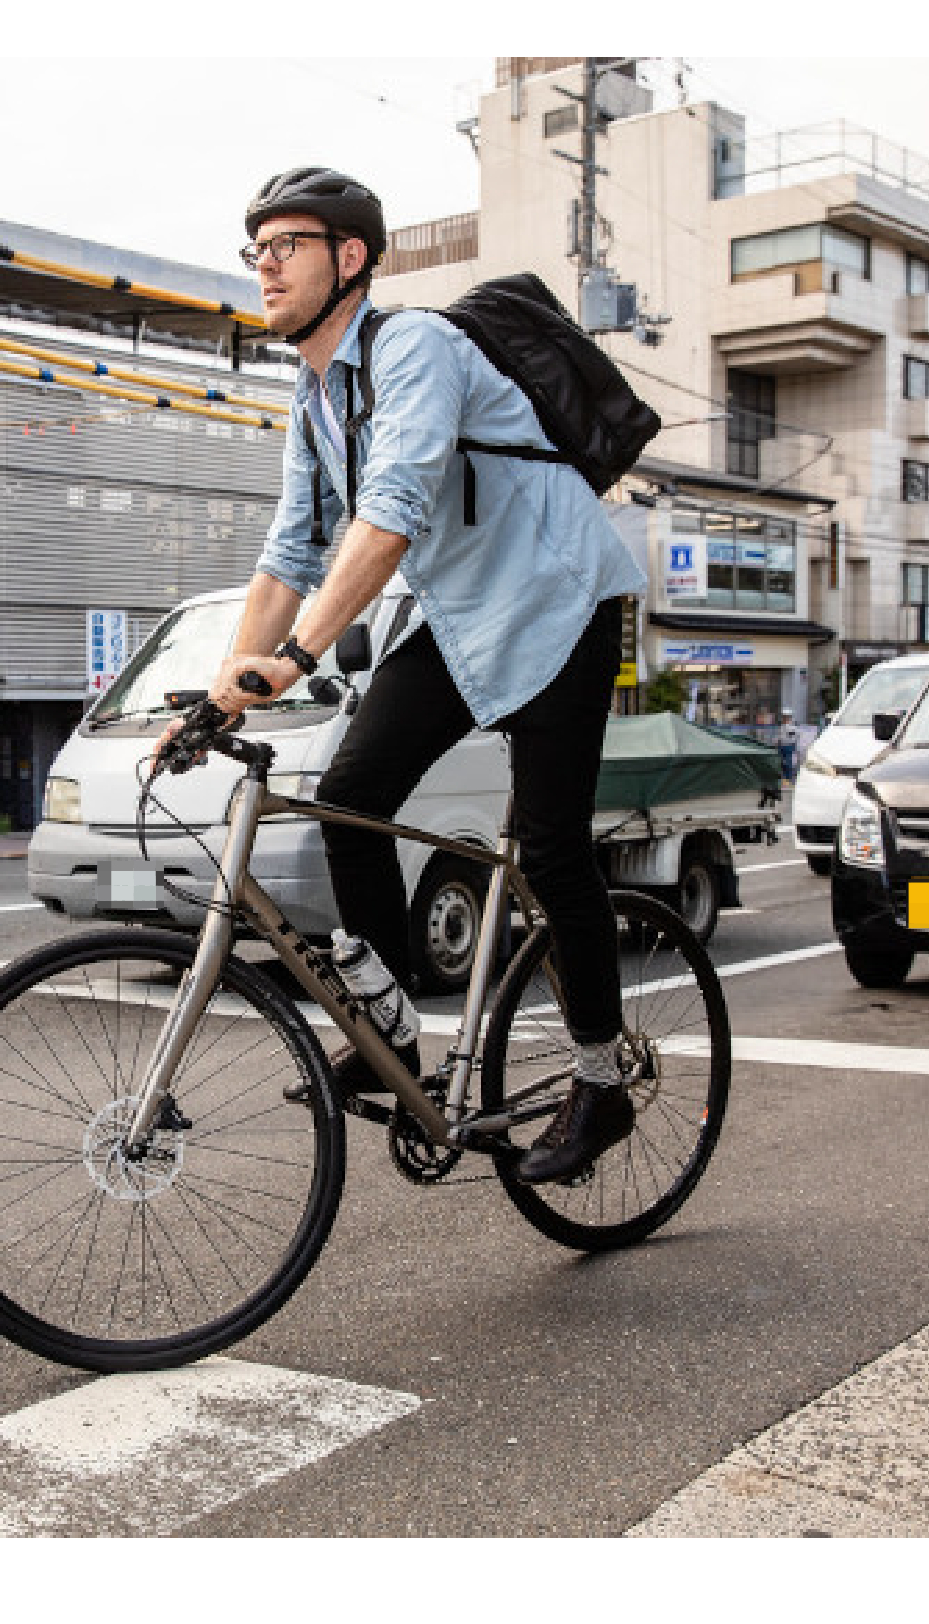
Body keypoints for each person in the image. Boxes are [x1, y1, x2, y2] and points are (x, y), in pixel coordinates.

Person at [198, 166, 650, 1186]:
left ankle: (600, 1084)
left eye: (287, 244)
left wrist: (297, 656)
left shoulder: (415, 347)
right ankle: (388, 1032)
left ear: (349, 257)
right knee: (348, 797)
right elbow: (288, 552)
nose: (265, 264)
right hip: (464, 617)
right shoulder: (316, 396)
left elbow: (390, 513)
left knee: (550, 850)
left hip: (561, 599)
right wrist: (222, 690)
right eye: (256, 248)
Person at [778, 709, 802, 781]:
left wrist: (792, 742)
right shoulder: (782, 726)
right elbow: (780, 736)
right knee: (782, 763)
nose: (785, 718)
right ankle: (784, 777)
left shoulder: (793, 727)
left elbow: (796, 736)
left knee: (788, 763)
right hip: (782, 746)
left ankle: (788, 778)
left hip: (788, 746)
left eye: (787, 717)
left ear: (790, 717)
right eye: (784, 717)